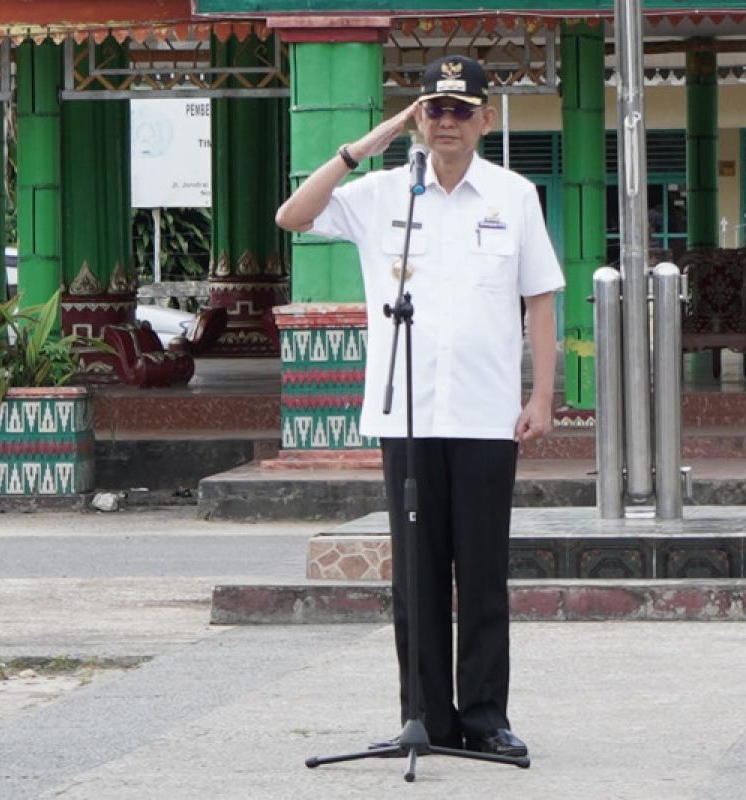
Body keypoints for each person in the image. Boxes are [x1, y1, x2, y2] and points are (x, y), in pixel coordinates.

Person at [275, 54, 564, 757]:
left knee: (483, 573)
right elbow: (293, 215)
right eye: (435, 109)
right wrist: (359, 148)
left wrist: (543, 396)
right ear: (419, 118)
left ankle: (485, 717)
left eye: (462, 110)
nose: (448, 123)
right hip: (406, 412)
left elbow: (540, 300)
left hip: (486, 413)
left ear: (485, 120)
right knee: (417, 577)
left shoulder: (513, 195)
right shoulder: (383, 194)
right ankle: (426, 718)